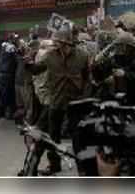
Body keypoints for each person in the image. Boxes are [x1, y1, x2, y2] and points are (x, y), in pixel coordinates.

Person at [26, 28, 90, 175]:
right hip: (56, 101)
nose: (54, 44)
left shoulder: (82, 55)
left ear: (66, 43)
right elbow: (36, 70)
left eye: (57, 42)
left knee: (78, 137)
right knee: (53, 137)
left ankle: (84, 170)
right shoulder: (50, 56)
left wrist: (83, 97)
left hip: (75, 103)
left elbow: (87, 78)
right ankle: (54, 165)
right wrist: (28, 63)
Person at [0, 33, 19, 123]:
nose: (17, 41)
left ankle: (12, 115)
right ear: (12, 40)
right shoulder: (11, 48)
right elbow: (17, 60)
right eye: (16, 39)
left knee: (9, 96)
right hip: (7, 76)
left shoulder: (2, 47)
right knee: (5, 97)